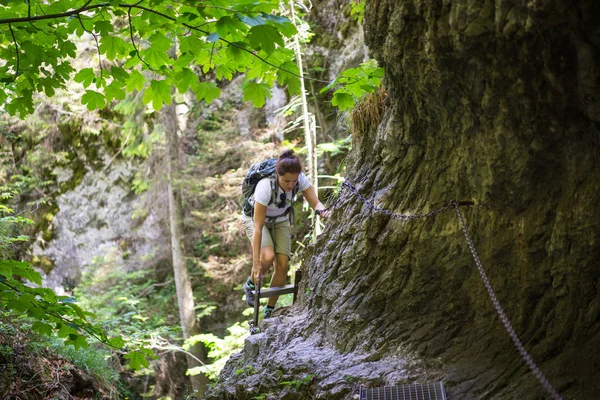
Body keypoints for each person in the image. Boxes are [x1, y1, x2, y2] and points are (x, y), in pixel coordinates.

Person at [241, 149, 330, 318]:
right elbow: (258, 227)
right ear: (278, 175)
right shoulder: (265, 186)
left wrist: (325, 213)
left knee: (282, 265)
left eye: (293, 181)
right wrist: (255, 263)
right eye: (286, 181)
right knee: (266, 257)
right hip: (256, 220)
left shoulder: (299, 179)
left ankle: (269, 311)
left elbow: (316, 202)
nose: (290, 185)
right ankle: (250, 284)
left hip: (281, 219)